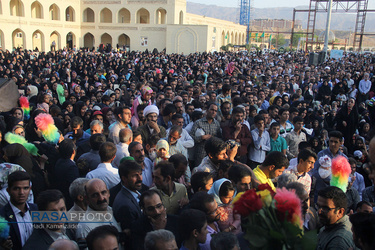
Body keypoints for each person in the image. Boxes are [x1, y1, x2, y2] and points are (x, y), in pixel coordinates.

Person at [0, 171, 37, 250]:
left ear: (30, 189)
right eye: (16, 188)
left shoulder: (37, 209)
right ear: (8, 191)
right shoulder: (2, 215)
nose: (21, 193)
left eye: (25, 188)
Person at [312, 131, 347, 203]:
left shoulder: (344, 158)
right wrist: (325, 178)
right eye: (331, 141)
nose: (332, 144)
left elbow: (345, 176)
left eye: (335, 142)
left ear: (340, 143)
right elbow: (315, 172)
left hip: (336, 194)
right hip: (321, 191)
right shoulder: (321, 154)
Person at [113, 160, 143, 231]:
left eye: (140, 174)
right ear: (124, 178)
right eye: (135, 175)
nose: (140, 179)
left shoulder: (136, 192)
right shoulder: (125, 205)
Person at [53, 139, 79, 209]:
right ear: (73, 151)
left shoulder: (59, 161)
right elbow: (74, 186)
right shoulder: (71, 167)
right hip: (68, 201)